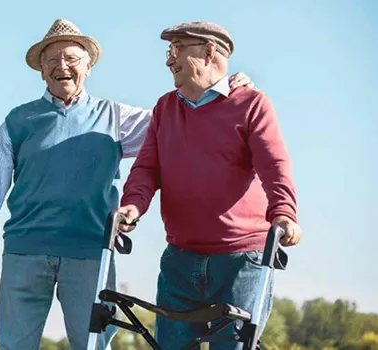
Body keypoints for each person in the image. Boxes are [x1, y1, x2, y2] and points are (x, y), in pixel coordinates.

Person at [0, 19, 255, 350]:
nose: (61, 66)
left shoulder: (114, 116)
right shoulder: (20, 121)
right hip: (26, 250)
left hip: (91, 252)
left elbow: (180, 121)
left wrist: (222, 90)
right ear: (42, 71)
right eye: (52, 60)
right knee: (14, 345)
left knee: (93, 345)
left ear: (88, 66)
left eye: (71, 59)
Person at [116, 21, 302, 349]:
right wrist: (133, 204)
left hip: (241, 260)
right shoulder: (165, 108)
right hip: (180, 259)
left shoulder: (251, 104)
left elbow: (274, 165)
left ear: (208, 52)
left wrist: (284, 211)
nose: (168, 60)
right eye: (168, 51)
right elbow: (146, 168)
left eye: (177, 50)